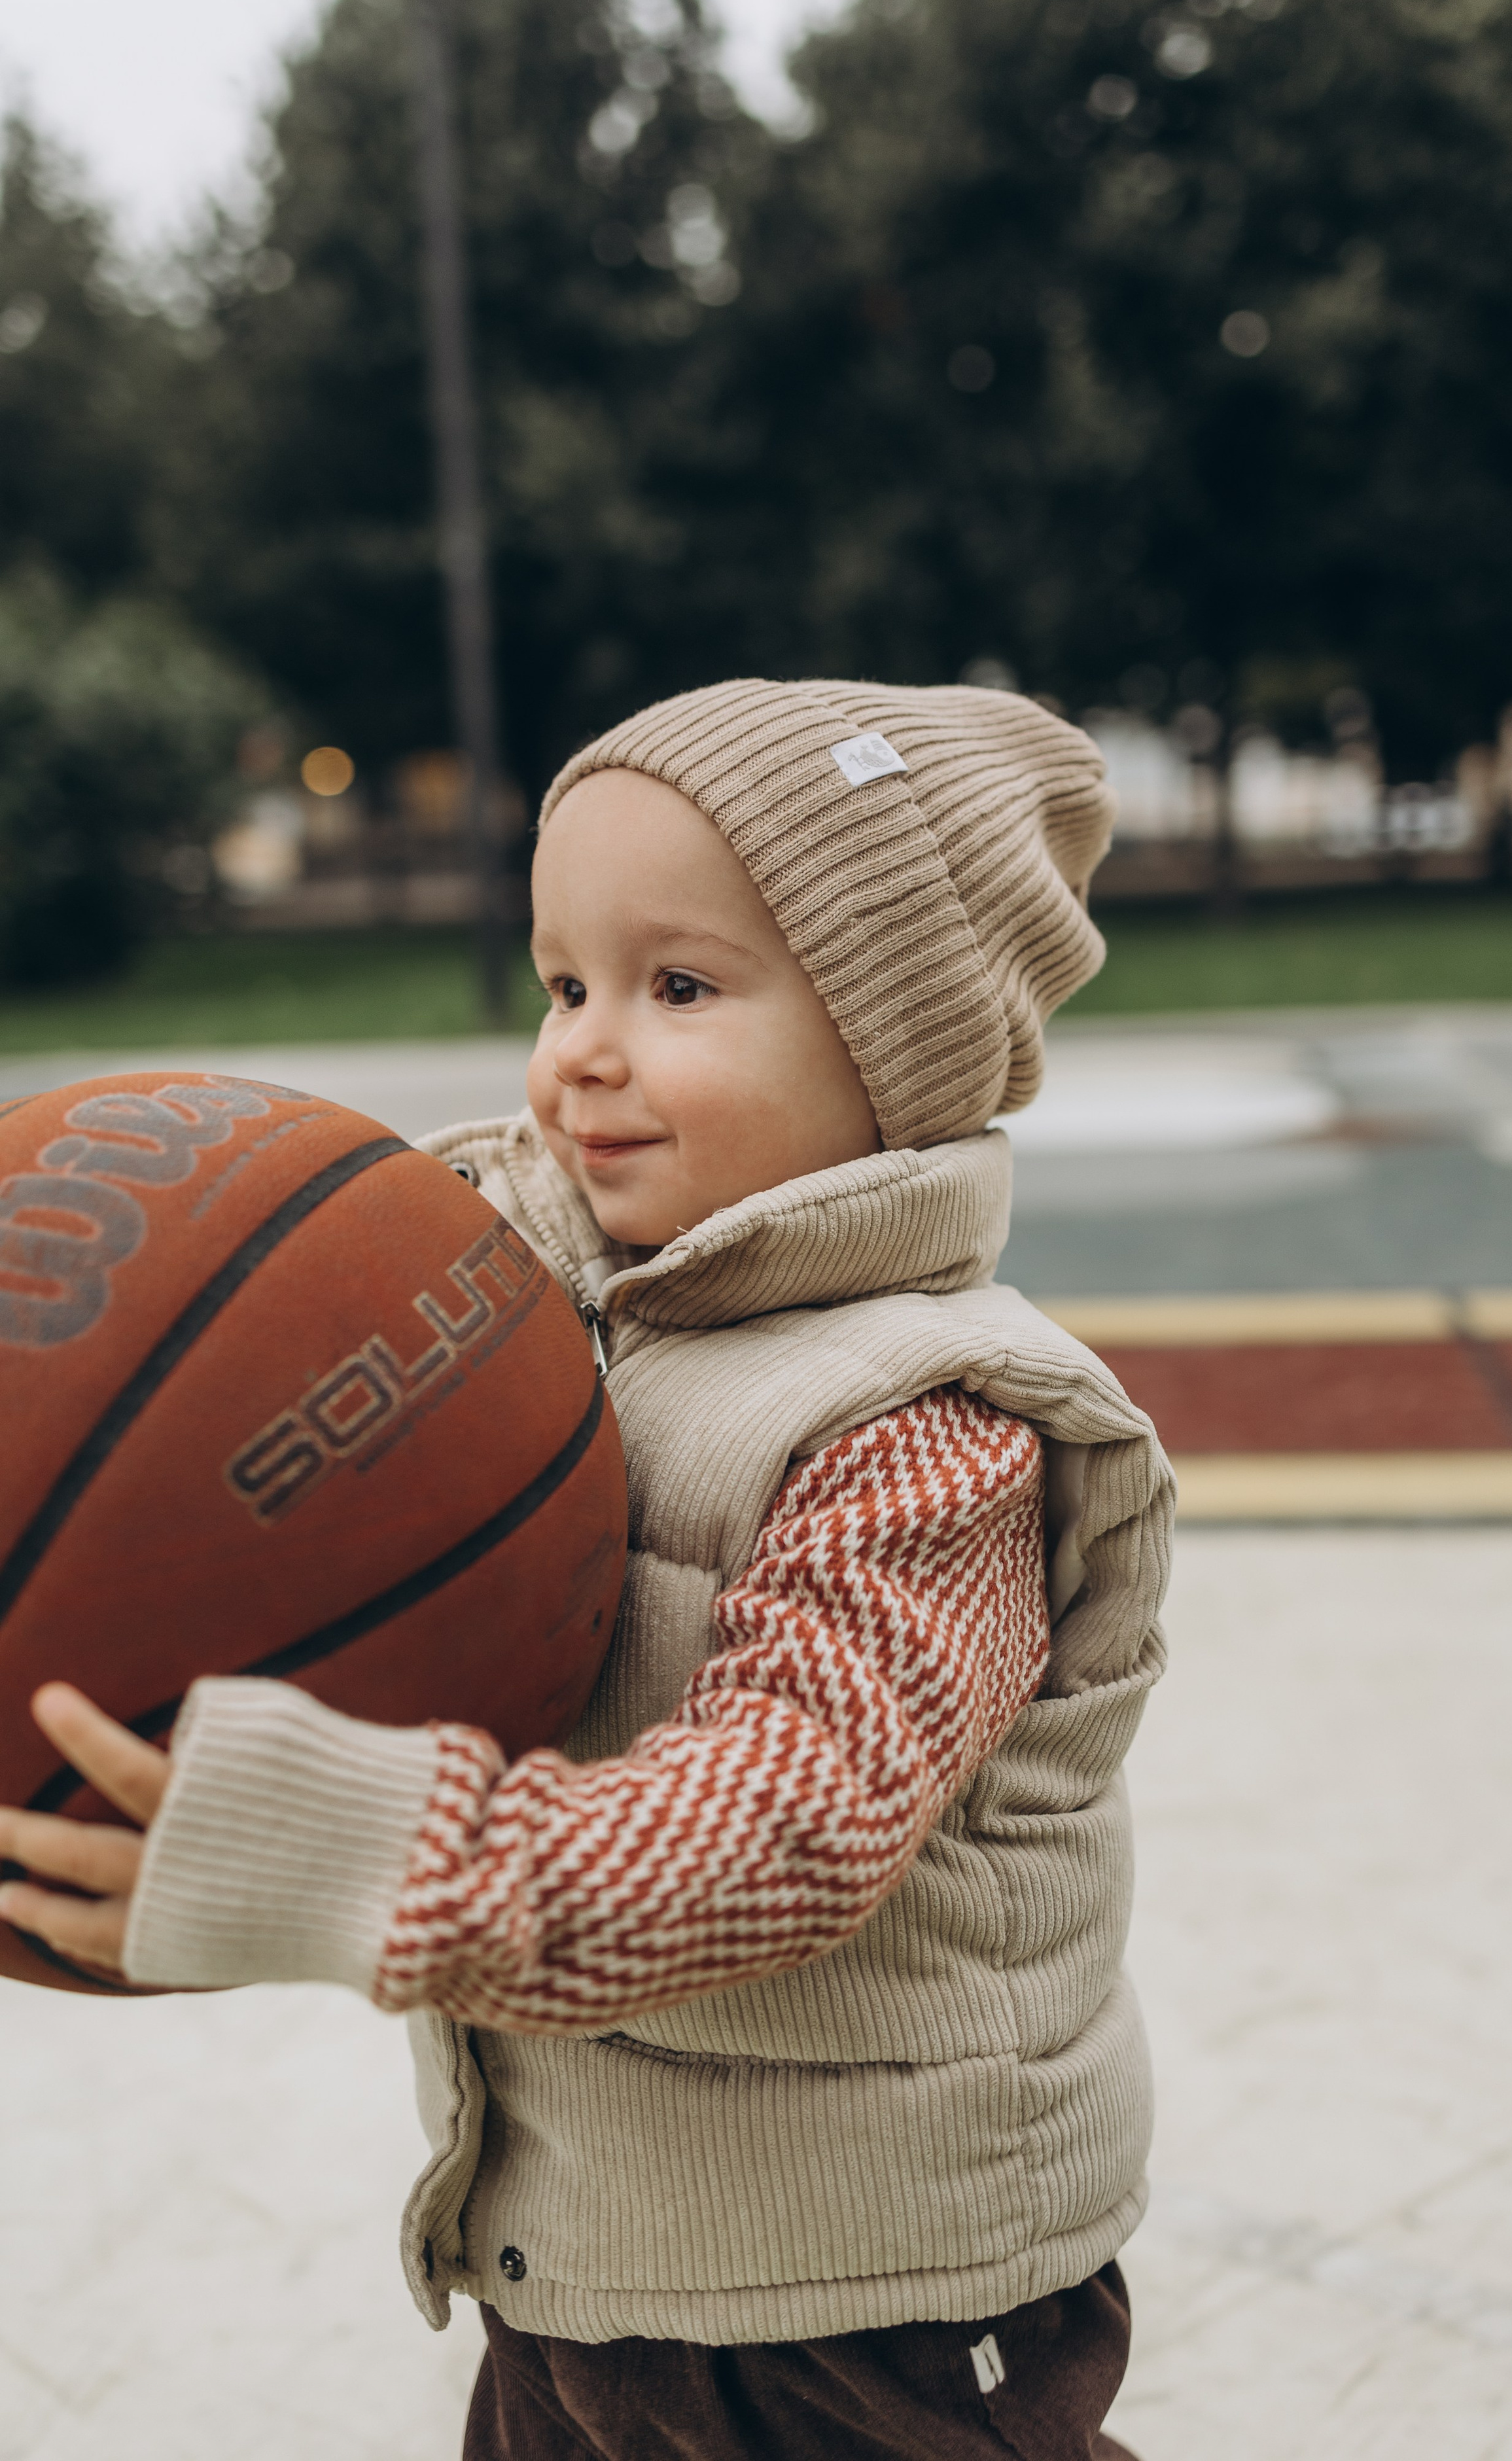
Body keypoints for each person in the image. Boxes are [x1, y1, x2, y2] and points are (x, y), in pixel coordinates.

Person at [0, 680, 1172, 2461]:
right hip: (593, 2262)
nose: (583, 1052)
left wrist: (370, 1857)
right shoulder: (534, 1304)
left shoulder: (929, 1435)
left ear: (895, 1048)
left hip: (887, 2309)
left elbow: (789, 1827)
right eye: (565, 985)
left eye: (678, 988)